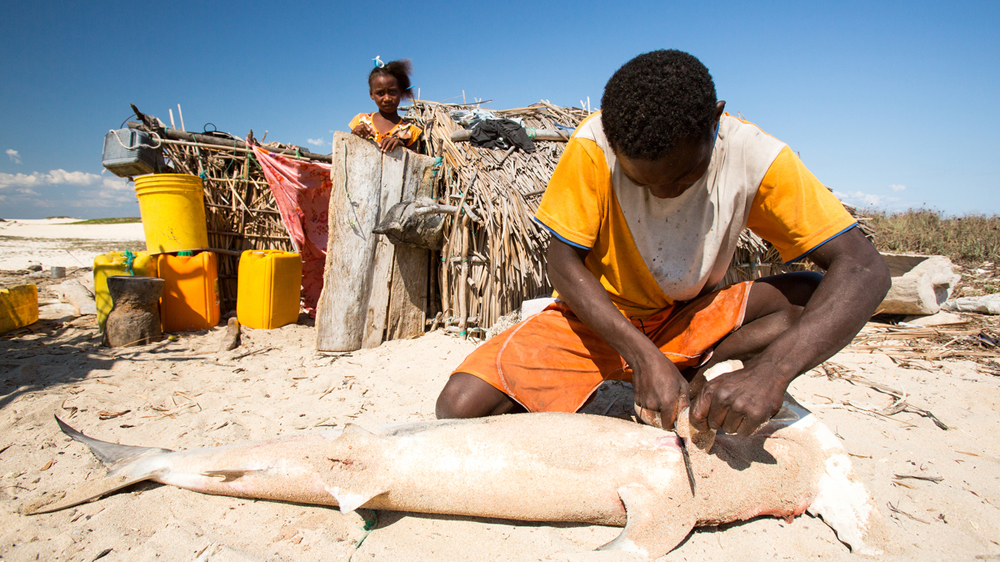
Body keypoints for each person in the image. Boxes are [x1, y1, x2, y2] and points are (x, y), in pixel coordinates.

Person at [435, 50, 891, 436]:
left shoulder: (756, 157)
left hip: (688, 319)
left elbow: (864, 268)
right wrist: (641, 354)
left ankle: (700, 375)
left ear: (714, 120)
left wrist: (771, 373)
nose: (663, 194)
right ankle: (666, 371)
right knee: (458, 407)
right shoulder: (594, 144)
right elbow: (562, 262)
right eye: (641, 181)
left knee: (811, 296)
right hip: (600, 323)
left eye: (683, 177)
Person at [349, 58, 422, 153]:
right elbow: (349, 151)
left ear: (401, 92)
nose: (387, 98)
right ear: (371, 94)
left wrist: (401, 148)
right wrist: (354, 135)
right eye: (380, 93)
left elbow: (414, 160)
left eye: (392, 92)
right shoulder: (360, 121)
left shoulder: (410, 131)